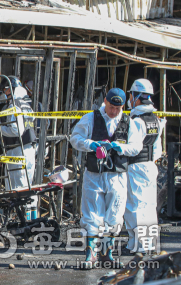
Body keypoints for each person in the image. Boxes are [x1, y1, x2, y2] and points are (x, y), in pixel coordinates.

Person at [70, 88, 142, 269]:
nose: (114, 111)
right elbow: (75, 138)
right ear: (105, 101)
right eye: (111, 107)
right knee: (91, 214)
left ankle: (107, 253)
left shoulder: (128, 122)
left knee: (115, 215)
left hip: (117, 175)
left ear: (123, 106)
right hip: (94, 175)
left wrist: (121, 147)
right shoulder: (91, 118)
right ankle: (90, 254)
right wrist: (91, 145)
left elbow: (137, 146)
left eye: (118, 108)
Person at [125, 79, 165, 254]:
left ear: (136, 97)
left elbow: (132, 148)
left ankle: (137, 245)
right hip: (150, 166)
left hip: (136, 167)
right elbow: (158, 150)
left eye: (131, 95)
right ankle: (149, 243)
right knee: (149, 205)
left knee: (135, 206)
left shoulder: (136, 121)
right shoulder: (156, 120)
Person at [0, 76, 38, 220]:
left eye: (5, 89)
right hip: (29, 150)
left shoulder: (14, 106)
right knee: (28, 186)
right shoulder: (25, 104)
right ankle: (32, 219)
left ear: (10, 89)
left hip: (18, 150)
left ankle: (22, 221)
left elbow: (16, 130)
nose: (3, 93)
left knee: (18, 187)